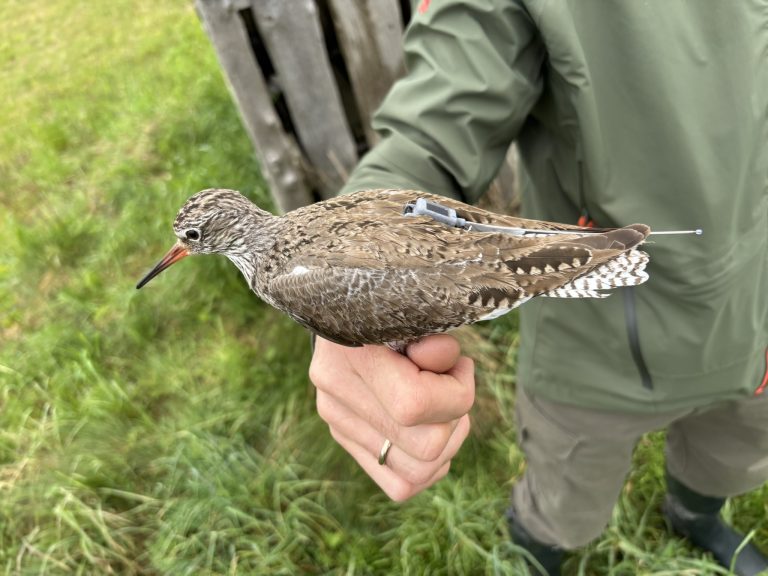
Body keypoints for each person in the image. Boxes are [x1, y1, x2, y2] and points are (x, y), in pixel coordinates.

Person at [308, 1, 768, 574]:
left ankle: (697, 517)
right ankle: (536, 553)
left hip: (752, 317)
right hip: (599, 344)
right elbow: (437, 123)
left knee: (733, 458)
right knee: (566, 503)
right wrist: (351, 266)